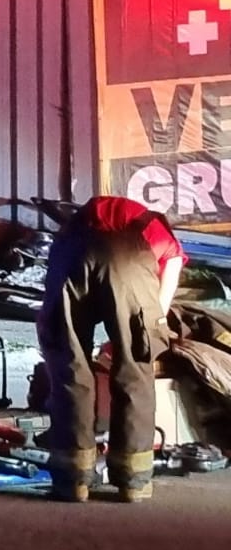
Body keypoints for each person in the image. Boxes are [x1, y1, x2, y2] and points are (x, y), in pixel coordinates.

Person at [38, 195, 184, 503]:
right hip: (129, 264)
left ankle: (72, 479)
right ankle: (133, 481)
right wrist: (144, 328)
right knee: (135, 368)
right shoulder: (159, 233)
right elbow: (162, 296)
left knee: (69, 365)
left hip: (71, 256)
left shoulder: (76, 222)